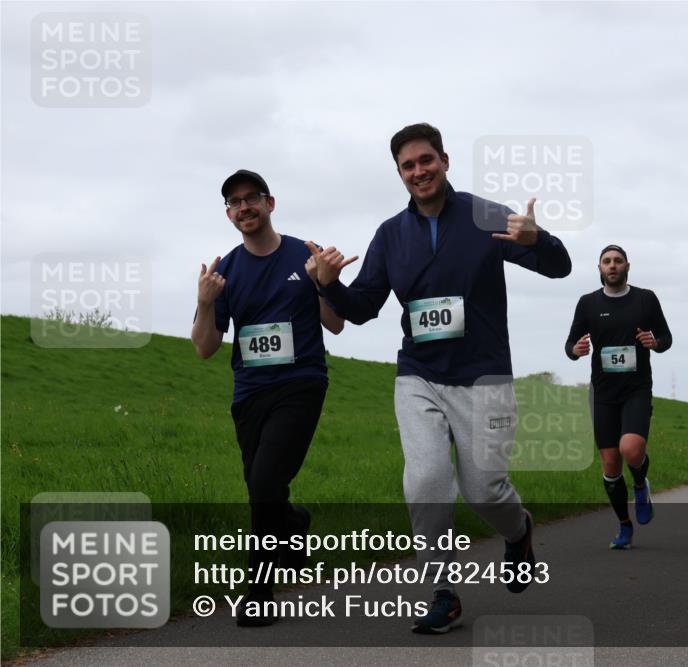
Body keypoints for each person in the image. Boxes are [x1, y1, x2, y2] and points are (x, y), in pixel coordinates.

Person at [310, 123, 572, 634]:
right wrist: (330, 285)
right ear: (399, 174)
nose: (418, 171)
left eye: (426, 160)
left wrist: (539, 238)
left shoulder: (484, 216)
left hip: (484, 377)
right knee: (426, 480)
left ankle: (518, 533)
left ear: (445, 161)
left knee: (484, 491)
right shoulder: (390, 234)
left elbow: (558, 268)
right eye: (408, 166)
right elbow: (362, 309)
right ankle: (442, 592)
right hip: (420, 375)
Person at [191, 170, 345, 626]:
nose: (244, 208)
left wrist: (325, 282)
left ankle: (258, 592)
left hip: (301, 384)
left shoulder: (304, 254)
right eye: (234, 202)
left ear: (270, 203)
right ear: (229, 213)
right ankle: (293, 524)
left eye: (251, 199)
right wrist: (203, 303)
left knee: (263, 484)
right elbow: (204, 348)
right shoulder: (226, 272)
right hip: (249, 393)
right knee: (263, 487)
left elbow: (336, 324)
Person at [565, 245, 672, 548]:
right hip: (603, 393)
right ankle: (624, 527)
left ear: (627, 266)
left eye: (617, 261)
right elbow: (570, 343)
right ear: (599, 268)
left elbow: (666, 338)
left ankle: (640, 482)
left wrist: (655, 342)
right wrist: (576, 350)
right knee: (610, 466)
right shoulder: (587, 303)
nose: (612, 266)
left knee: (631, 450)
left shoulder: (645, 299)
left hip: (636, 389)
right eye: (607, 261)